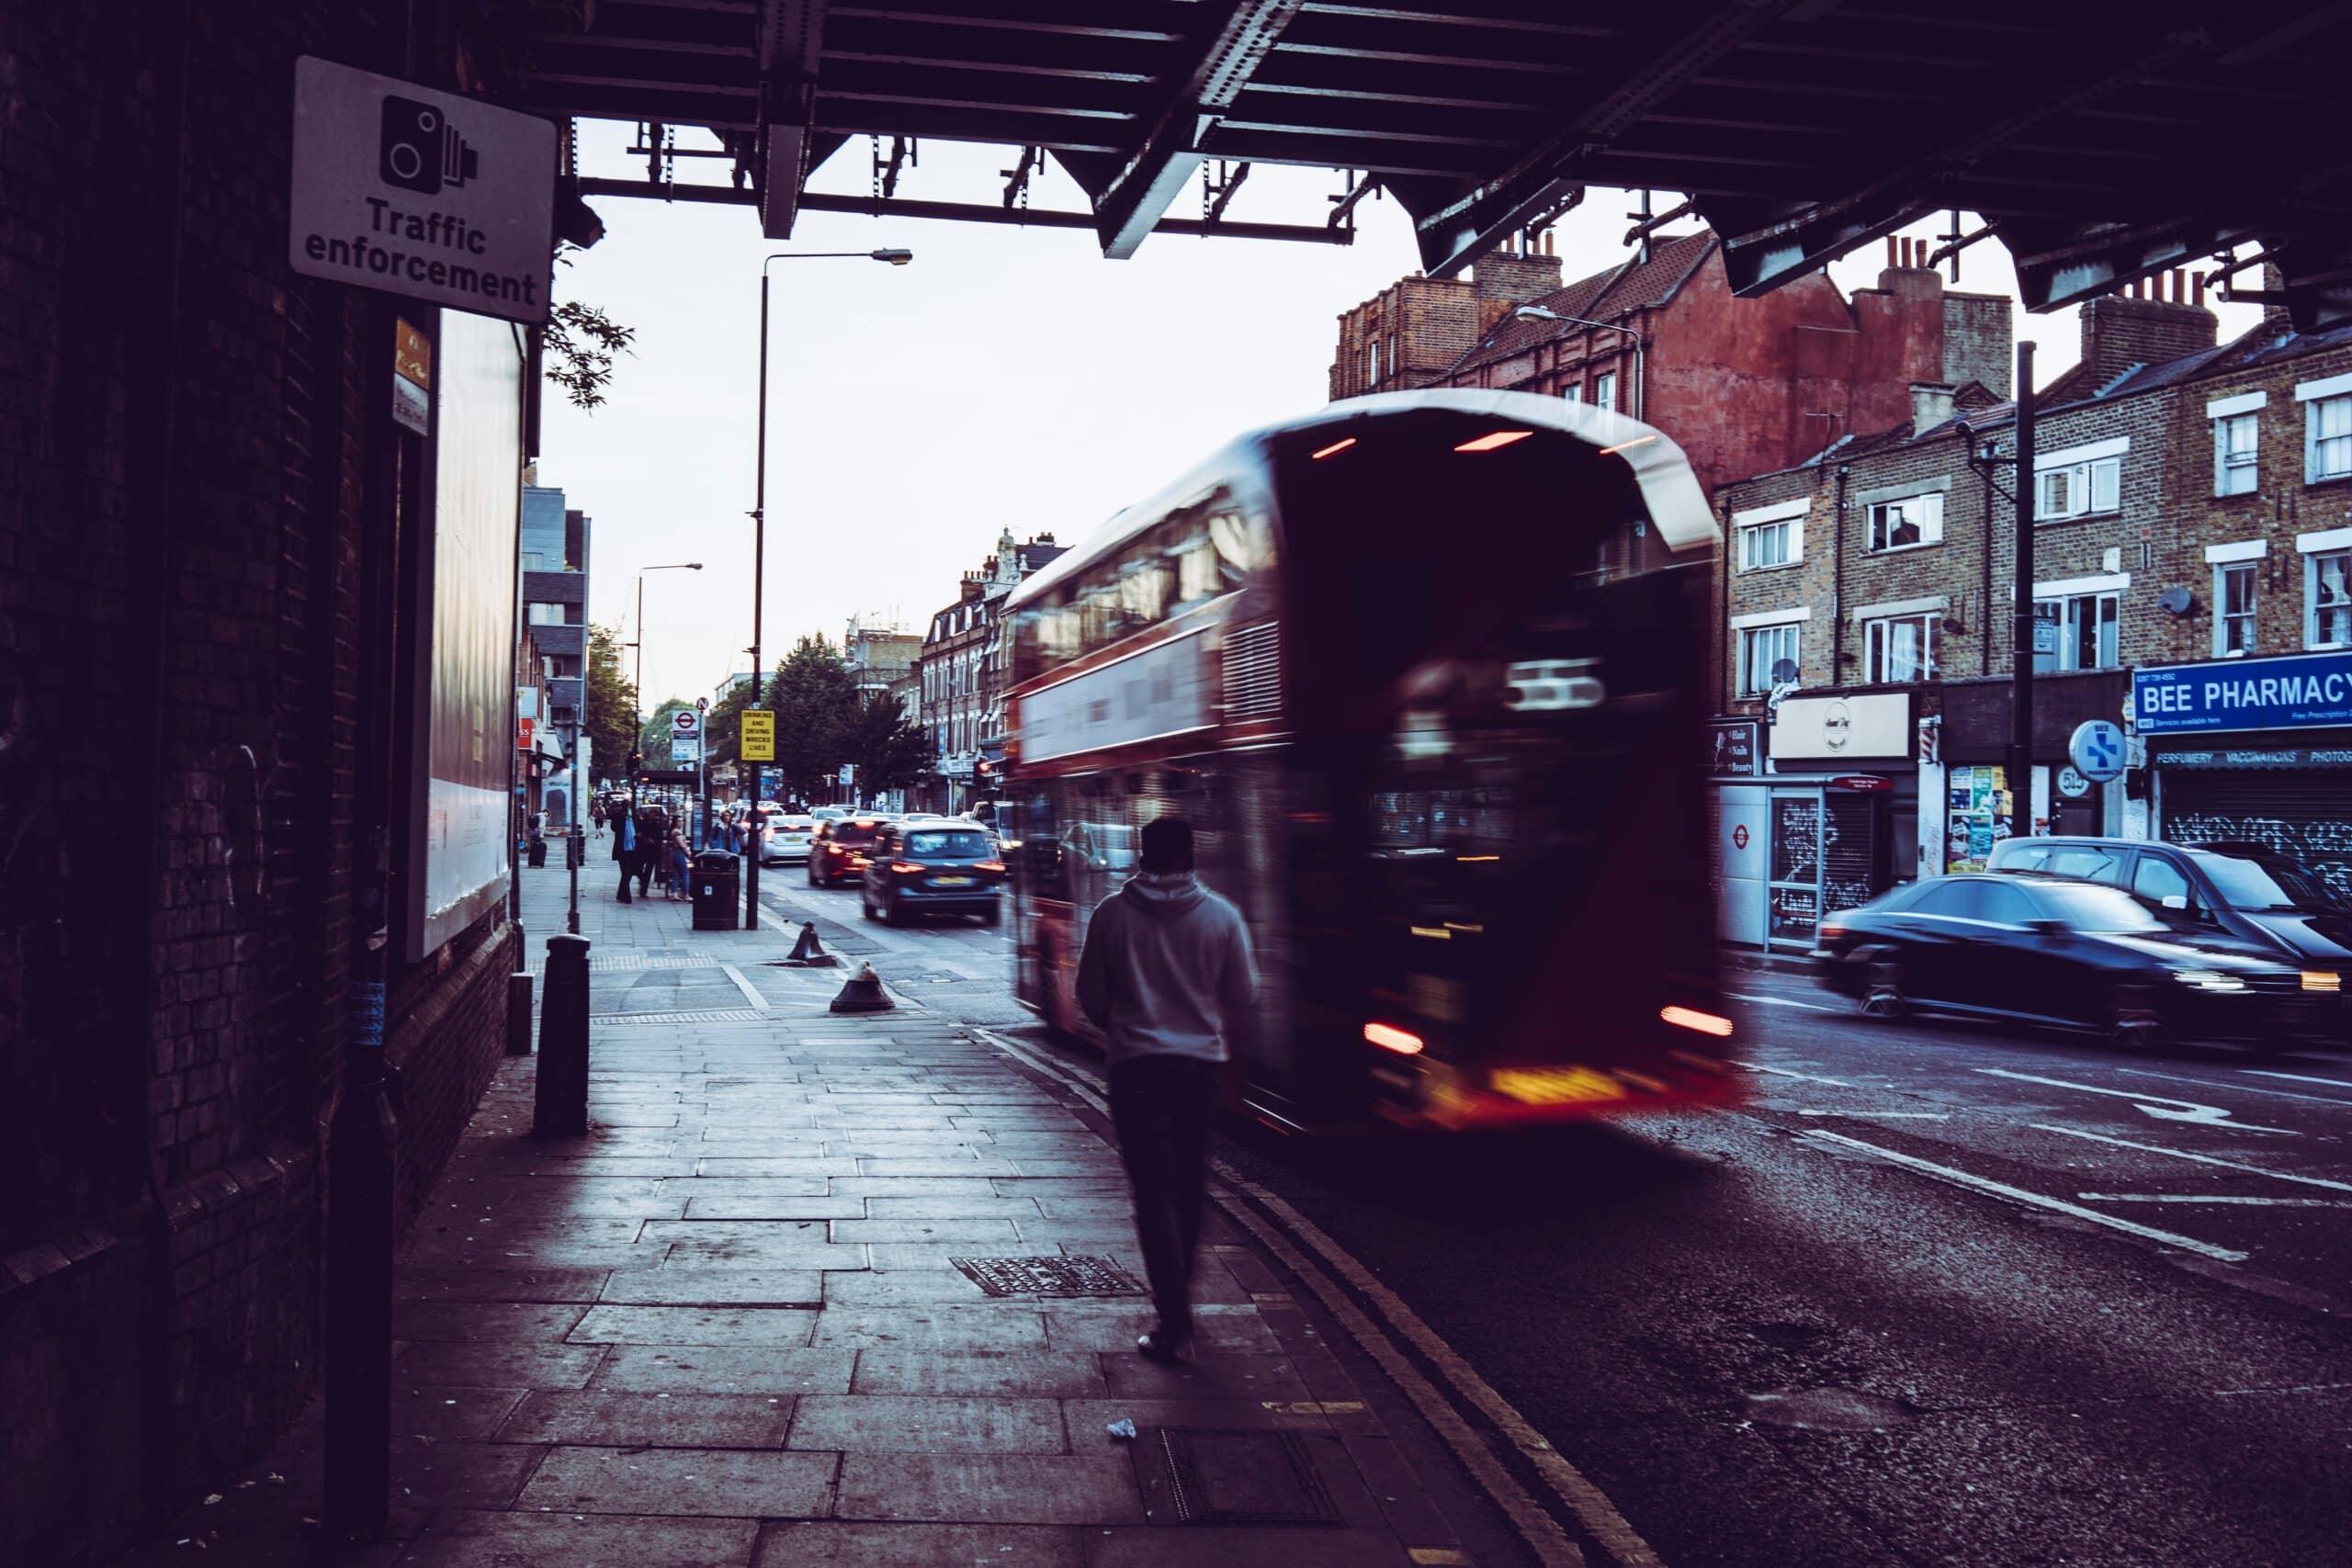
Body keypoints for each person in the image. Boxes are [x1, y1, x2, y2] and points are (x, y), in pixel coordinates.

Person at [1073, 815, 1257, 1364]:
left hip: (1136, 1072)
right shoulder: (1222, 917)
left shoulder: (1111, 915)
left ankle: (1172, 1319)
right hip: (1197, 1071)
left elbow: (1090, 995)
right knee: (1189, 1189)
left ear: (1141, 856)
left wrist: (1128, 1028)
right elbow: (1242, 993)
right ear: (1190, 856)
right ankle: (1182, 1308)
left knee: (1150, 1194)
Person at [611, 795, 639, 902]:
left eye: (629, 806)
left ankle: (621, 893)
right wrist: (621, 817)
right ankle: (627, 896)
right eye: (627, 806)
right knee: (626, 872)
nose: (628, 808)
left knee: (629, 873)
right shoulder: (619, 816)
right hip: (623, 849)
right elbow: (614, 828)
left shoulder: (632, 818)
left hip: (632, 848)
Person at [666, 818, 692, 901]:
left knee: (676, 874)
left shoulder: (674, 831)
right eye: (679, 821)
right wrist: (688, 852)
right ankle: (686, 894)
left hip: (674, 853)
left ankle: (674, 894)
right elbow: (682, 845)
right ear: (675, 823)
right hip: (679, 854)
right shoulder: (677, 832)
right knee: (685, 874)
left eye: (682, 821)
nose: (681, 822)